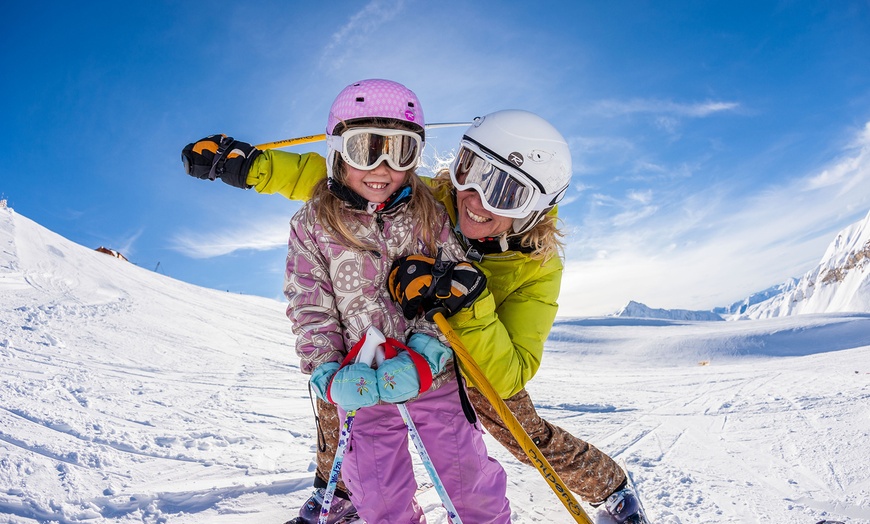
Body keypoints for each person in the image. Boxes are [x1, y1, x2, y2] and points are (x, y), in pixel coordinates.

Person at [182, 97, 642, 523]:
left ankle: (611, 488)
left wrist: (466, 301)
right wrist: (253, 167)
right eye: (472, 171)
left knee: (521, 430)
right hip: (396, 338)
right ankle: (339, 494)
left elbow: (512, 371)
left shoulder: (536, 265)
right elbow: (336, 180)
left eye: (506, 194)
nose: (477, 199)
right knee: (338, 393)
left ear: (538, 207)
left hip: (477, 352)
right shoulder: (431, 197)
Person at [185, 79, 512, 523]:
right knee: (379, 498)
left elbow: (450, 282)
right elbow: (309, 306)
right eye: (366, 149)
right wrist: (325, 368)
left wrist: (428, 352)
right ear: (337, 150)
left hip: (432, 379)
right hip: (359, 382)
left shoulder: (428, 213)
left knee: (467, 482)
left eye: (401, 152)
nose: (382, 167)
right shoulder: (311, 224)